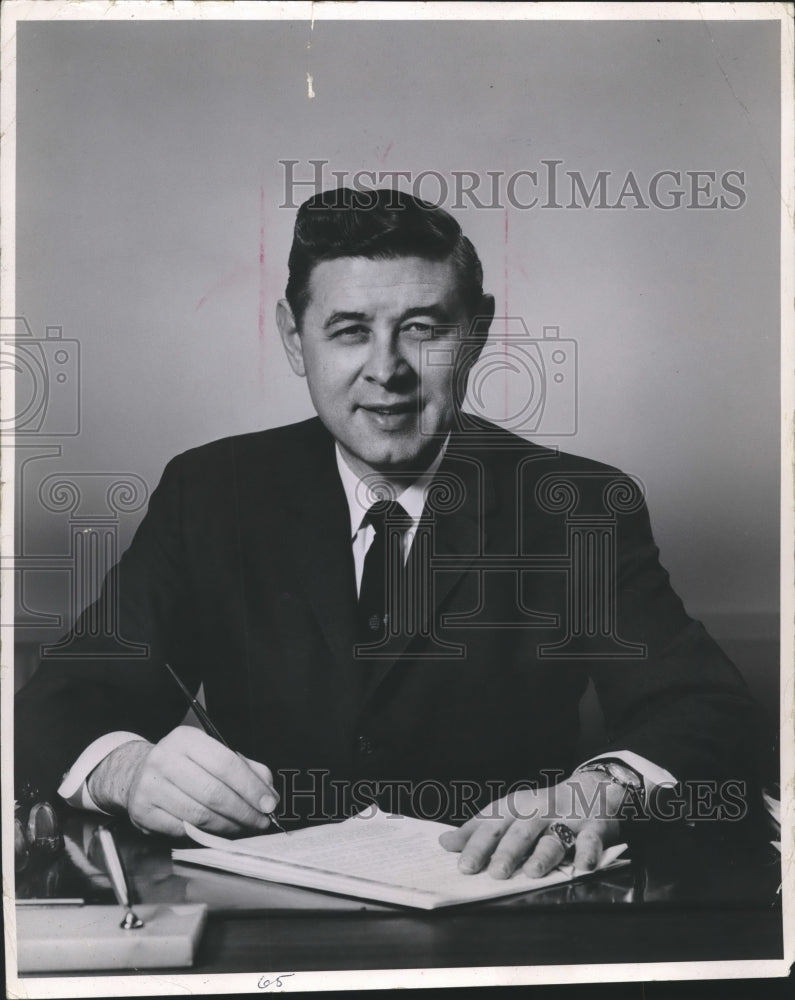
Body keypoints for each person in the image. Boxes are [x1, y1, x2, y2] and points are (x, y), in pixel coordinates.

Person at [15, 187, 763, 882]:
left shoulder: (575, 505)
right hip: (267, 920)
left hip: (502, 915)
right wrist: (126, 771)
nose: (386, 371)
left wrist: (603, 787)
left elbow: (705, 708)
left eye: (422, 330)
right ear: (291, 337)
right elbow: (62, 699)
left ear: (475, 333)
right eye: (347, 332)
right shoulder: (211, 492)